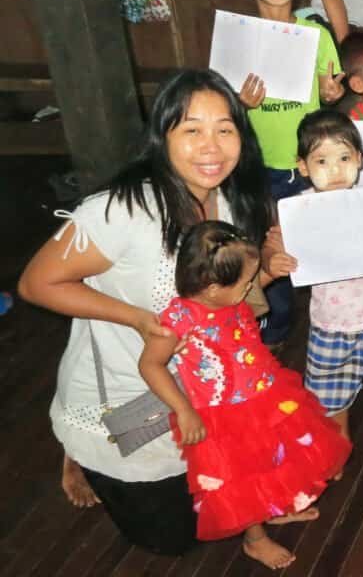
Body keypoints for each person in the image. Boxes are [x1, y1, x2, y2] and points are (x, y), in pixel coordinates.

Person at [18, 70, 273, 555]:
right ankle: (79, 452)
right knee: (172, 540)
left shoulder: (231, 203)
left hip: (205, 384)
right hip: (129, 392)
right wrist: (133, 317)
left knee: (221, 497)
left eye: (225, 128)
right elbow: (35, 283)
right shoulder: (119, 212)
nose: (211, 146)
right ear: (163, 136)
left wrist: (268, 271)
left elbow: (226, 292)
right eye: (191, 129)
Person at [138, 222, 351, 569]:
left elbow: (245, 309)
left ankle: (276, 507)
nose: (252, 287)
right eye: (246, 282)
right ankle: (256, 539)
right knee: (243, 481)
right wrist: (184, 410)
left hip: (267, 397)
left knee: (276, 460)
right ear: (210, 288)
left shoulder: (229, 296)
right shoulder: (178, 319)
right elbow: (150, 365)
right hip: (223, 416)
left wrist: (271, 265)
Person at [266, 109, 363, 467]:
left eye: (344, 157)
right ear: (303, 166)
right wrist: (274, 256)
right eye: (321, 160)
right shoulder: (296, 211)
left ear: (359, 159)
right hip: (330, 325)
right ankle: (341, 447)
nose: (335, 169)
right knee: (333, 396)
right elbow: (273, 247)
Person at [233, 0, 343, 346]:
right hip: (258, 166)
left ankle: (330, 320)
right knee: (266, 246)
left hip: (307, 164)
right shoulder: (237, 40)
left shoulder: (315, 35)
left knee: (314, 244)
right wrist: (241, 104)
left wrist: (331, 93)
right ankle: (275, 329)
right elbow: (224, 113)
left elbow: (327, 94)